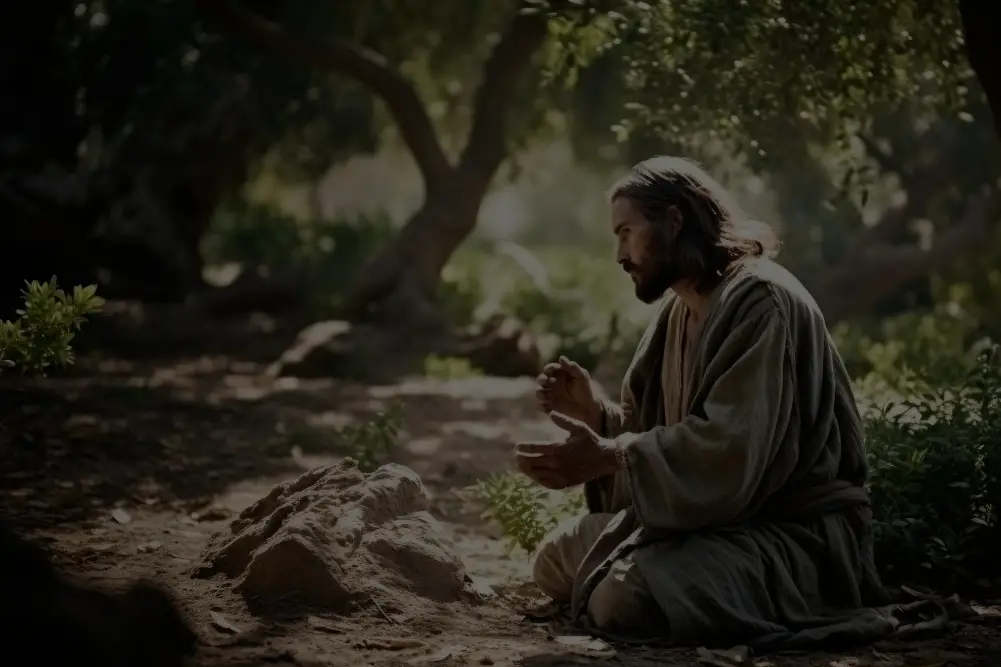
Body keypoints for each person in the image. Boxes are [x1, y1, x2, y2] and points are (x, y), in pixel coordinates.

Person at [515, 156, 892, 650]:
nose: (620, 255)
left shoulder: (760, 301)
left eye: (627, 232)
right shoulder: (679, 309)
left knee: (621, 598)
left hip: (789, 534)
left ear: (674, 221)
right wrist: (597, 419)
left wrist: (611, 454)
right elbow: (654, 430)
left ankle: (771, 591)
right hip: (712, 524)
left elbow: (729, 450)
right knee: (554, 558)